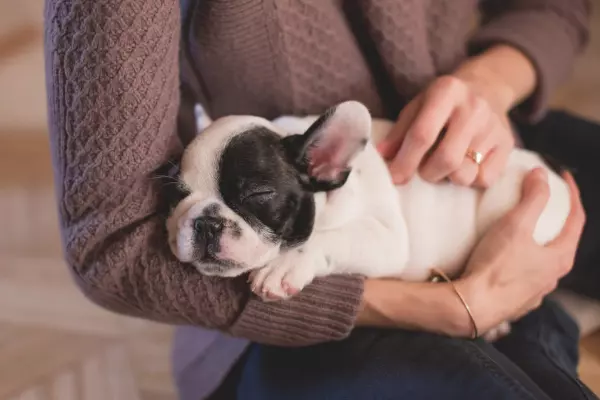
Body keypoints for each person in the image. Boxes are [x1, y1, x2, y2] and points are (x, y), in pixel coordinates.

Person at [43, 0, 599, 399]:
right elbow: (112, 245)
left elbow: (558, 9)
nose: (207, 221)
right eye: (183, 198)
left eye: (251, 201)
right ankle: (545, 326)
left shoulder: (314, 160)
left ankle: (541, 323)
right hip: (285, 322)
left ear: (327, 165)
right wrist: (450, 308)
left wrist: (488, 84)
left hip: (478, 158)